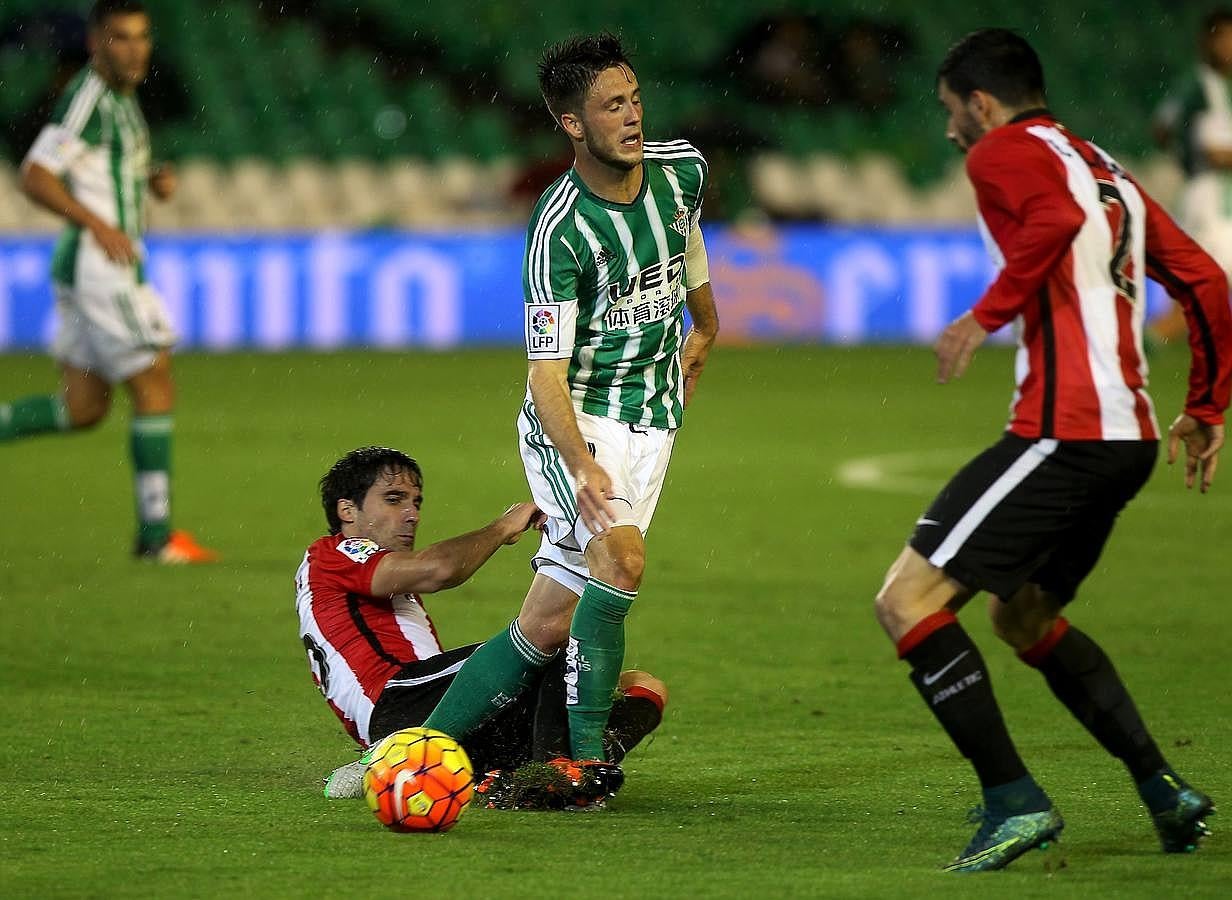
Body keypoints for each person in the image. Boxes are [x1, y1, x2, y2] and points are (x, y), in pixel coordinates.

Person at [874, 29, 1231, 873]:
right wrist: (1207, 403)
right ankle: (1164, 791)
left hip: (1067, 431)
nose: (954, 132)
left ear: (983, 103)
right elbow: (1208, 282)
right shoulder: (1104, 165)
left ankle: (1014, 797)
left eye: (952, 112)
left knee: (907, 600)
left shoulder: (1000, 153)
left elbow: (1054, 219)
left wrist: (984, 315)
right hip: (1130, 438)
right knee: (1022, 613)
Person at [419, 33, 719, 801]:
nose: (632, 117)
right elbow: (545, 371)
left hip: (654, 418)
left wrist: (707, 322)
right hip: (578, 420)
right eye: (611, 106)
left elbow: (686, 238)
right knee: (620, 561)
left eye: (636, 99)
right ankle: (582, 763)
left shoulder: (682, 168)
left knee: (549, 620)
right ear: (573, 124)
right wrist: (581, 461)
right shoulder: (559, 230)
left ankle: (412, 754)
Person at [298, 447, 667, 804]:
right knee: (549, 633)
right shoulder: (333, 553)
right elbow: (439, 570)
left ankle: (517, 783)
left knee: (642, 687)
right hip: (397, 702)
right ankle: (553, 767)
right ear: (347, 510)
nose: (412, 515)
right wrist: (503, 527)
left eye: (416, 502)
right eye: (394, 500)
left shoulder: (366, 577)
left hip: (451, 711)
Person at [0, 1, 214, 563]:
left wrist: (152, 178)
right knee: (154, 378)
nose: (135, 48)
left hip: (88, 266)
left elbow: (108, 167)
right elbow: (35, 174)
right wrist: (97, 223)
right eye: (120, 38)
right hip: (100, 264)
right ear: (96, 43)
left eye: (142, 37)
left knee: (83, 407)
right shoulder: (89, 98)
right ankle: (157, 537)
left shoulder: (121, 100)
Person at [1151, 8, 1232, 340]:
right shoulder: (1201, 85)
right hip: (1210, 197)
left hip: (1219, 197)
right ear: (1209, 41)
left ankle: (1145, 344)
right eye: (1226, 38)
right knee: (1209, 283)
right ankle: (1143, 344)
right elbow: (1166, 128)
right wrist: (1192, 155)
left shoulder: (1220, 87)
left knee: (1202, 288)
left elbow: (1164, 127)